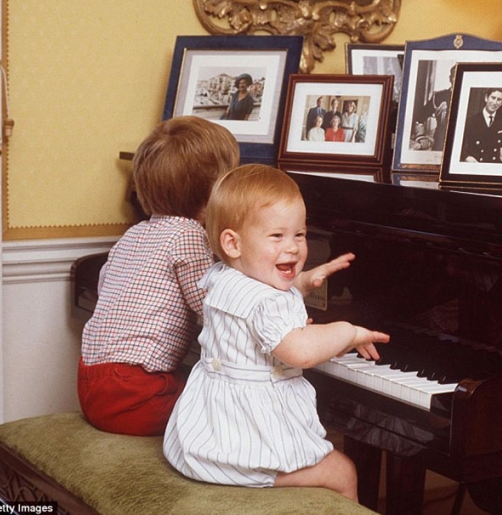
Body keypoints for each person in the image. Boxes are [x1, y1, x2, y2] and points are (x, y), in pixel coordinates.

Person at [78, 117, 353, 437]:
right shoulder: (189, 236)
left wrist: (295, 291)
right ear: (213, 193)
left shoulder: (136, 233)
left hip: (92, 383)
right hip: (134, 395)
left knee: (215, 390)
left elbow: (107, 286)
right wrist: (282, 325)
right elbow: (218, 307)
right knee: (229, 414)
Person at [163, 164, 389, 501]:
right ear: (233, 243)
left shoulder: (223, 275)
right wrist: (348, 331)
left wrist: (302, 281)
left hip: (208, 434)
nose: (294, 247)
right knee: (343, 471)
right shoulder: (267, 302)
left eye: (299, 234)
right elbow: (301, 351)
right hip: (246, 441)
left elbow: (263, 292)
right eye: (277, 236)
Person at [461, 88, 502, 163]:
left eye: (499, 99)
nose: (495, 102)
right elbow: (460, 145)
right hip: (476, 163)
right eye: (493, 98)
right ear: (486, 98)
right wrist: (466, 157)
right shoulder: (471, 121)